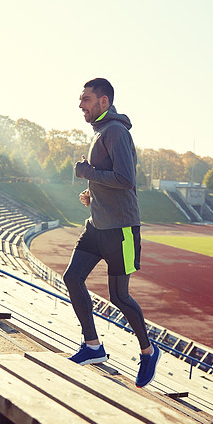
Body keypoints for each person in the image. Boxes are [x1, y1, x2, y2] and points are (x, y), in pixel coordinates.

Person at [63, 78, 161, 388]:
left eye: (87, 99)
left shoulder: (116, 132)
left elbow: (125, 179)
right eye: (81, 100)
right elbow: (108, 180)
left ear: (104, 102)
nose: (81, 105)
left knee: (119, 296)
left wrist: (85, 172)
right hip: (97, 226)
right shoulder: (101, 132)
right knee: (71, 278)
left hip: (121, 230)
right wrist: (91, 191)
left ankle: (148, 351)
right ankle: (93, 346)